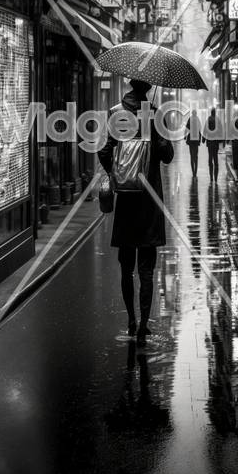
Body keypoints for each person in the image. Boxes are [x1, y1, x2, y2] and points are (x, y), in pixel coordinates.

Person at [98, 79, 174, 344]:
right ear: (148, 87)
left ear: (130, 86)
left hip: (127, 204)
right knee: (146, 269)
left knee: (126, 267)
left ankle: (130, 319)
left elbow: (104, 151)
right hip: (149, 202)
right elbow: (168, 155)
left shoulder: (117, 112)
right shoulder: (154, 114)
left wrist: (117, 176)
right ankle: (143, 325)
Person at [204, 107, 225, 183]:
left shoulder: (208, 120)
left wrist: (203, 139)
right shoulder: (217, 120)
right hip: (215, 142)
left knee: (210, 158)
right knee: (215, 158)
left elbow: (205, 130)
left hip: (209, 142)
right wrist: (222, 140)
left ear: (211, 113)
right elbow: (220, 130)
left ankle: (211, 177)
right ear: (215, 113)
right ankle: (215, 177)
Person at [185, 109, 202, 177]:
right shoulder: (197, 119)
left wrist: (184, 136)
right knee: (196, 156)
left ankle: (193, 172)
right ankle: (195, 172)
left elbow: (187, 129)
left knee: (191, 156)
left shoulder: (190, 119)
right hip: (196, 140)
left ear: (192, 113)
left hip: (191, 140)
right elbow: (200, 129)